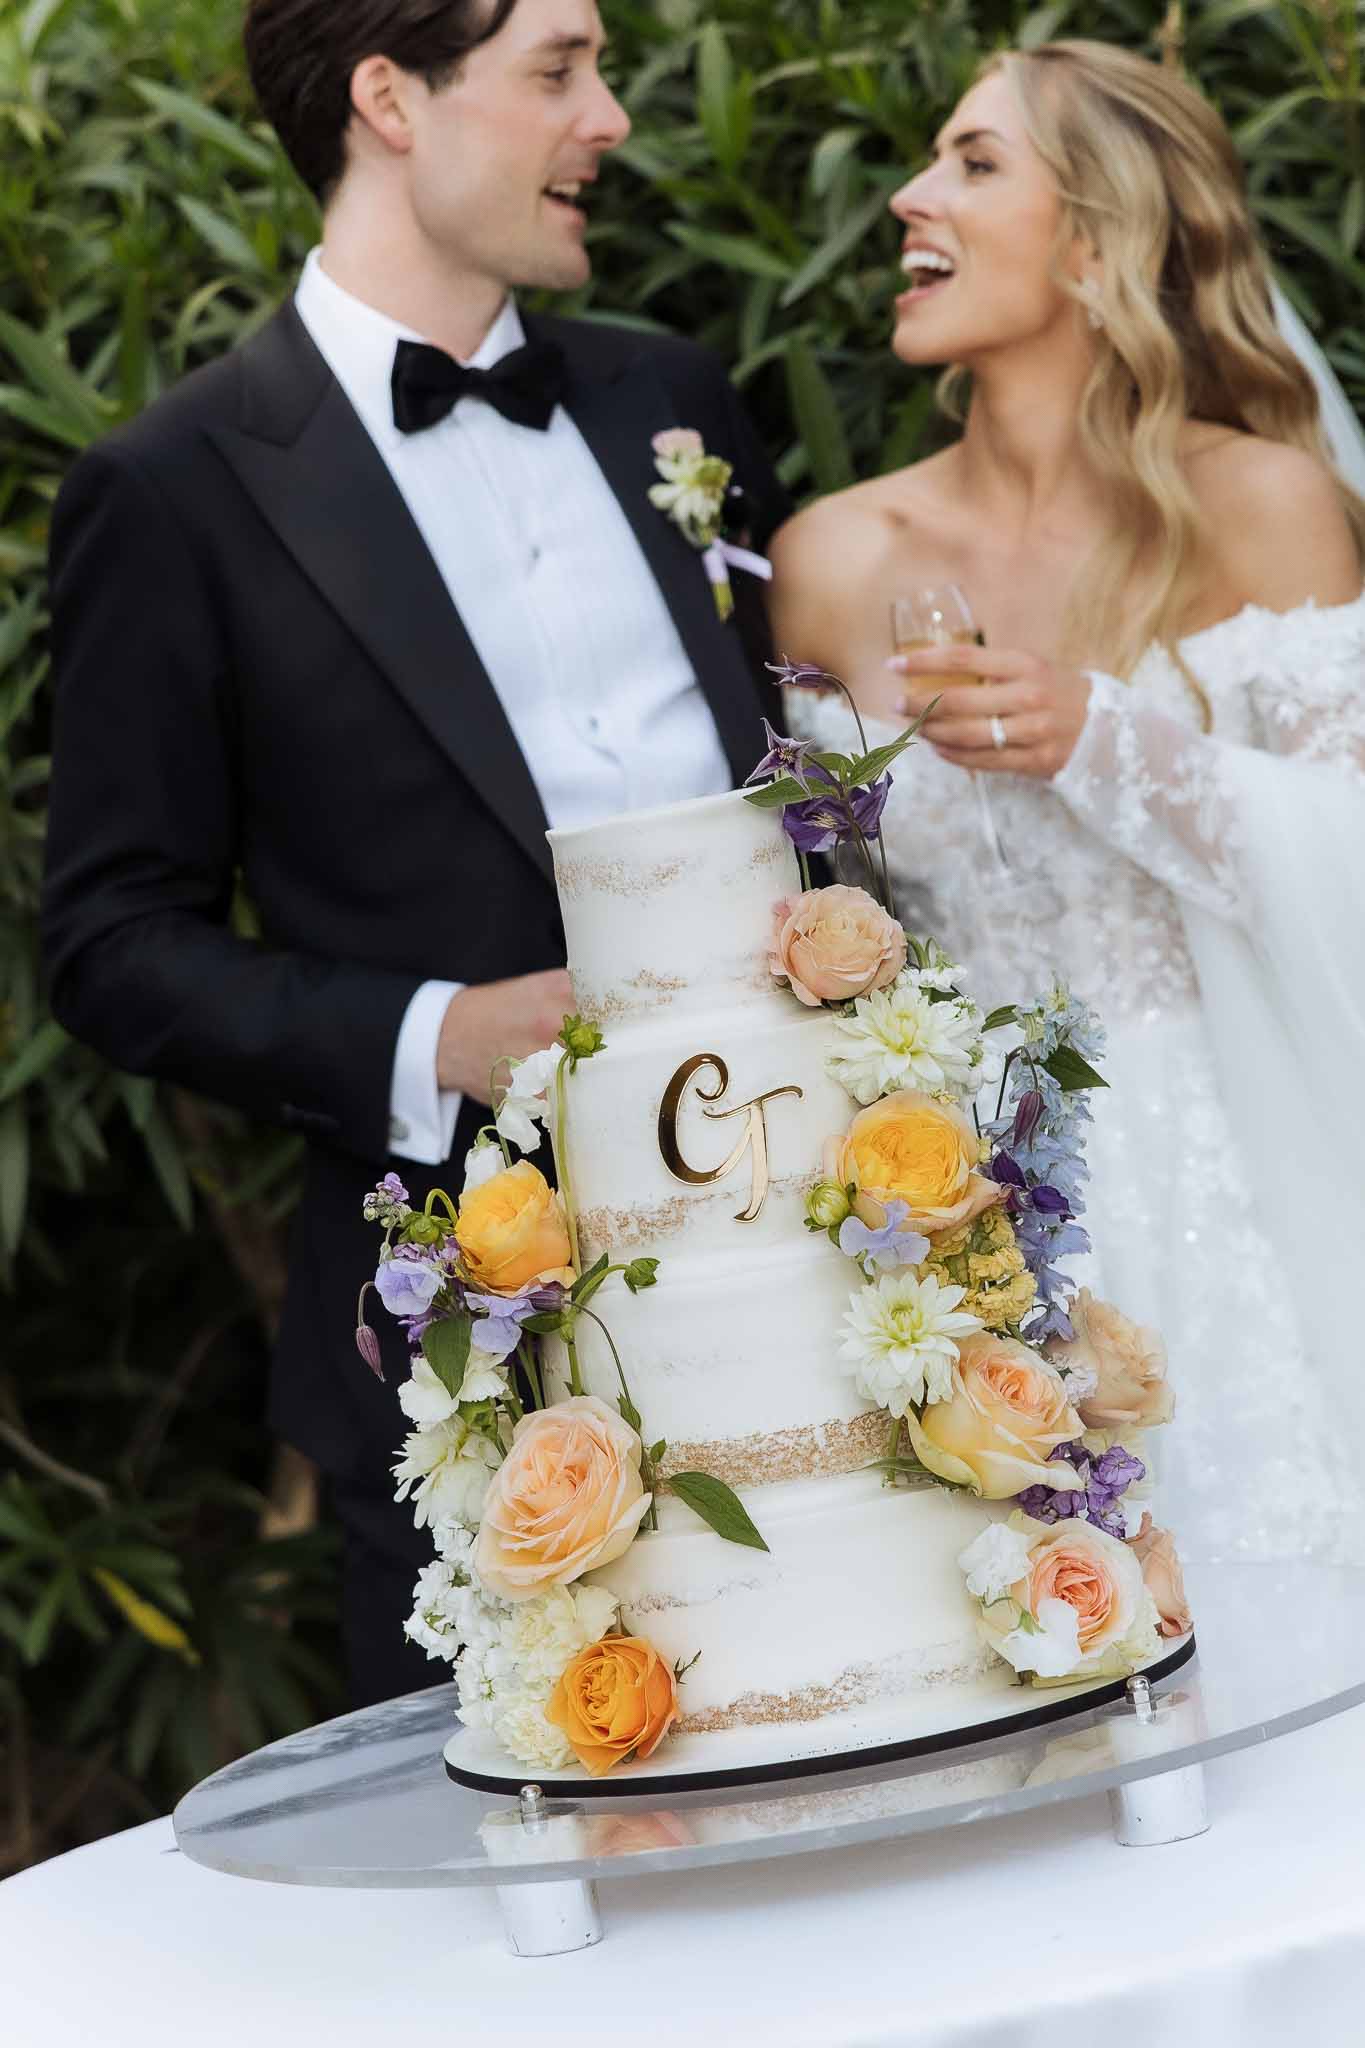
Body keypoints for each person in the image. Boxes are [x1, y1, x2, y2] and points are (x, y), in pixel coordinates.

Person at [42, 0, 789, 1705]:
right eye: (558, 70)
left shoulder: (673, 400)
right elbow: (109, 941)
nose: (609, 118)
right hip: (474, 1344)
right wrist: (436, 1035)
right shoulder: (173, 489)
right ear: (389, 98)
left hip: (810, 1254)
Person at [768, 39, 1365, 1564]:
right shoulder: (834, 559)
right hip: (963, 1234)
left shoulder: (1266, 509)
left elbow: (1352, 876)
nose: (908, 197)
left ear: (1097, 241)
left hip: (1257, 1201)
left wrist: (1104, 741)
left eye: (973, 164)